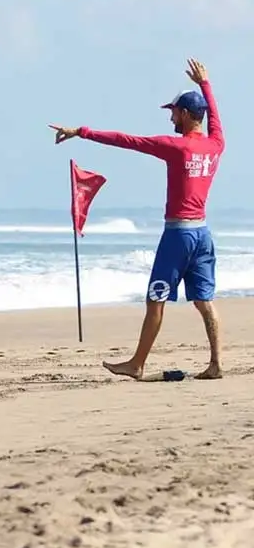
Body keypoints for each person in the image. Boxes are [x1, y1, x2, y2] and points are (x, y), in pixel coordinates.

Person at [49, 58, 225, 381]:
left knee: (155, 298)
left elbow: (126, 140)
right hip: (203, 234)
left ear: (185, 115)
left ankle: (137, 364)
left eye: (173, 111)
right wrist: (206, 85)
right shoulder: (216, 146)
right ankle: (215, 363)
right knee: (204, 300)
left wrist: (81, 132)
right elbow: (215, 119)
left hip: (179, 236)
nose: (171, 116)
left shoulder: (176, 147)